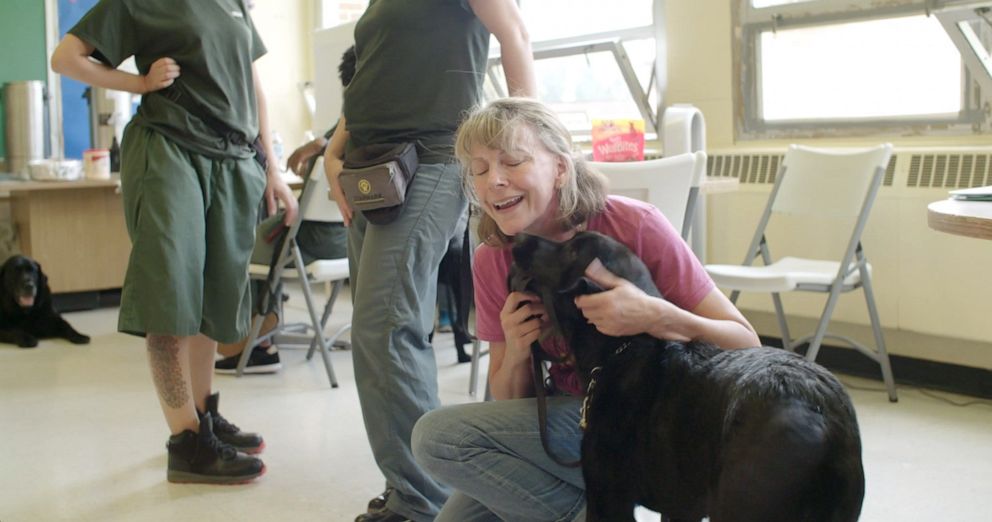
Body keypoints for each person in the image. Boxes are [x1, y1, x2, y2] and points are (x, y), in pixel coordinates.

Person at [410, 98, 761, 521]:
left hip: (653, 420)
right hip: (573, 419)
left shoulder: (635, 225)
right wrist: (518, 349)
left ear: (560, 168)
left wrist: (655, 315)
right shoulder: (493, 258)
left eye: (512, 162)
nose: (494, 182)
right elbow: (510, 399)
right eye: (480, 170)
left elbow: (746, 344)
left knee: (437, 438)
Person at [50, 0, 298, 484]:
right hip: (170, 148)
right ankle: (185, 441)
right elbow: (66, 58)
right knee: (171, 293)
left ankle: (203, 415)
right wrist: (138, 83)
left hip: (231, 158)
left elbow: (253, 88)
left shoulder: (234, 4)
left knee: (213, 297)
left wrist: (272, 166)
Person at [321, 1, 536, 521]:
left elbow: (514, 35)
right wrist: (335, 146)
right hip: (369, 167)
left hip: (432, 157)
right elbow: (376, 68)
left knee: (385, 328)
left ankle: (423, 501)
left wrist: (531, 138)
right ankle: (407, 487)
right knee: (375, 335)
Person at [215, 46, 358, 374]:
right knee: (271, 232)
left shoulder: (340, 136)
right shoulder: (351, 133)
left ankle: (255, 341)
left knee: (242, 240)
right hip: (346, 242)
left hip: (315, 242)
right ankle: (264, 329)